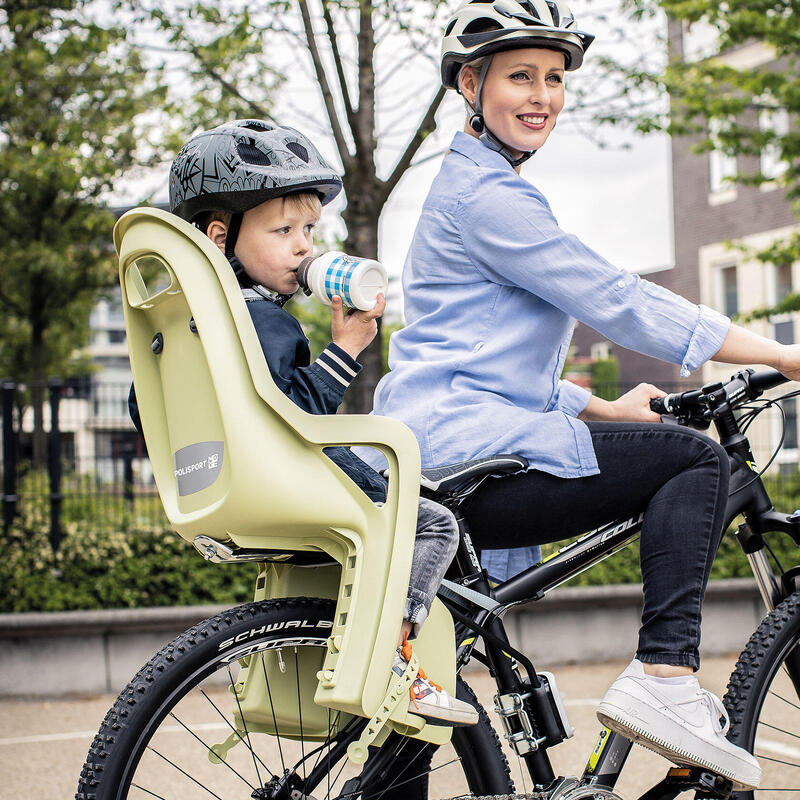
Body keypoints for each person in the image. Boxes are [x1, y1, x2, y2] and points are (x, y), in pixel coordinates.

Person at [364, 0, 800, 788]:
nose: (542, 95)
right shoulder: (489, 198)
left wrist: (599, 408)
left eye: (555, 78)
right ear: (471, 82)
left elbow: (487, 362)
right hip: (465, 451)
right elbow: (618, 298)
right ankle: (666, 680)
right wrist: (783, 354)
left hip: (445, 438)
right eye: (520, 76)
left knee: (437, 662)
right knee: (693, 463)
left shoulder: (477, 185)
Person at [129, 120, 478, 727]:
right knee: (431, 522)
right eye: (283, 230)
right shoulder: (262, 322)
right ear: (219, 237)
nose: (303, 248)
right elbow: (297, 416)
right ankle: (396, 658)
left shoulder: (183, 331)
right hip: (283, 475)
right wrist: (345, 351)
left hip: (211, 482)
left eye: (310, 230)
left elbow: (144, 409)